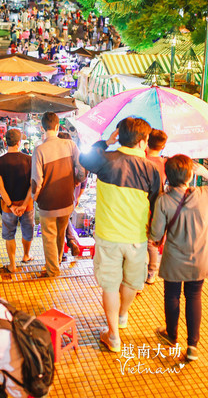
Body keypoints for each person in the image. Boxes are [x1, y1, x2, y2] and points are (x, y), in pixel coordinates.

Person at [79, 117, 161, 353]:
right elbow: (155, 204)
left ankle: (113, 336)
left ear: (119, 135)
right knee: (130, 282)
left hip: (108, 236)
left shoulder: (105, 160)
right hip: (137, 237)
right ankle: (123, 315)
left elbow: (84, 158)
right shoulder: (151, 169)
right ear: (144, 141)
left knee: (110, 285)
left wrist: (107, 141)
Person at [150, 154, 208, 362]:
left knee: (172, 295)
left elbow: (156, 235)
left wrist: (156, 239)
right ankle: (192, 346)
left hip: (174, 258)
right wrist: (204, 172)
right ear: (190, 174)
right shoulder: (203, 195)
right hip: (199, 258)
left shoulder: (163, 200)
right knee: (194, 296)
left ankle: (171, 336)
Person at [31, 112, 86, 278]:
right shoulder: (70, 145)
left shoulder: (39, 150)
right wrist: (76, 181)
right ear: (57, 126)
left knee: (49, 237)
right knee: (61, 234)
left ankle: (53, 270)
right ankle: (57, 263)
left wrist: (36, 197)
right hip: (67, 200)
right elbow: (82, 169)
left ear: (42, 127)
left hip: (48, 203)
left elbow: (36, 180)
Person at [0, 129, 33, 274]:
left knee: (9, 235)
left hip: (7, 206)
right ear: (19, 142)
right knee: (27, 232)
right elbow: (32, 185)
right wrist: (23, 205)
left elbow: (0, 187)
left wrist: (11, 206)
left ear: (5, 142)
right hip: (27, 205)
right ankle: (26, 255)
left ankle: (12, 264)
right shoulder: (29, 160)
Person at [145, 128, 168, 285]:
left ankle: (141, 271)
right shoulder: (165, 164)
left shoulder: (142, 161)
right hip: (157, 206)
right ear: (163, 146)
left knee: (142, 242)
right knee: (152, 242)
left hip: (142, 205)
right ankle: (152, 272)